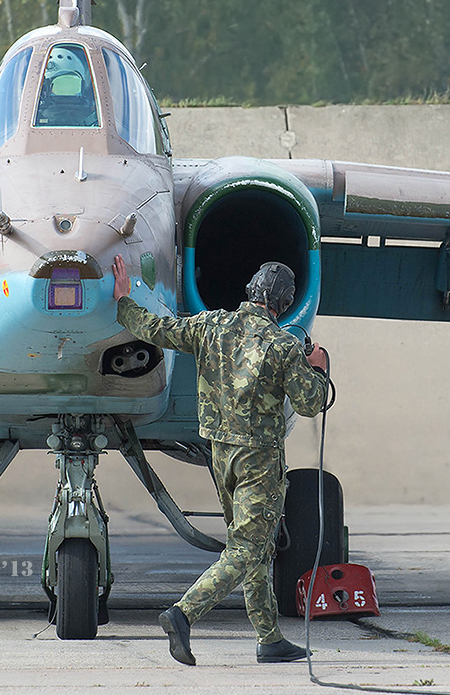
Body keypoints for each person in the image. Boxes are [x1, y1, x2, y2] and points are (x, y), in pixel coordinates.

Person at [111, 255, 328, 665]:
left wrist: (124, 301)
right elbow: (311, 403)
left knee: (254, 547)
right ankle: (183, 614)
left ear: (250, 290)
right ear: (284, 303)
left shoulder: (212, 325)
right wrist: (317, 369)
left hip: (220, 455)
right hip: (259, 461)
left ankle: (269, 638)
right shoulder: (283, 346)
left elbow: (157, 329)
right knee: (247, 548)